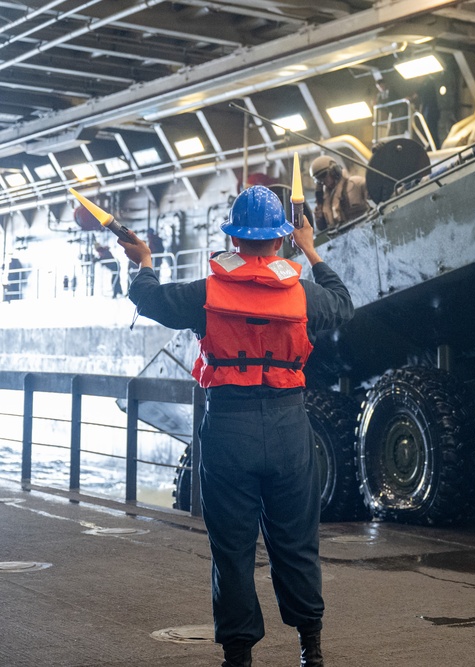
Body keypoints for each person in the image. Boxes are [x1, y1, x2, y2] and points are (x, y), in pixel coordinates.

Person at [117, 185, 354, 667]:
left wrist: (143, 258)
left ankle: (239, 656)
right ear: (279, 239)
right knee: (297, 544)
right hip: (289, 429)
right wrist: (310, 248)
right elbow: (343, 303)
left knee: (232, 550)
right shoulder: (303, 292)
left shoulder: (206, 293)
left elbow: (147, 297)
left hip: (228, 430)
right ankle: (311, 649)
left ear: (235, 238)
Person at [308, 155, 369, 233]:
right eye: (318, 179)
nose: (323, 181)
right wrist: (319, 217)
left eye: (324, 175)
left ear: (334, 171)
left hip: (365, 231)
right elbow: (323, 228)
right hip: (342, 239)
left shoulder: (356, 183)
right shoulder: (325, 200)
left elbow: (377, 196)